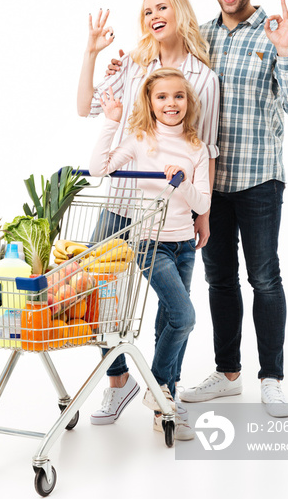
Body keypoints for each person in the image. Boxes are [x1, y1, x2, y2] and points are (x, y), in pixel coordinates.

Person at [107, 0, 288, 418]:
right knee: (220, 280)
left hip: (260, 177)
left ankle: (272, 378)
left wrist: (285, 53)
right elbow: (164, 86)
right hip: (206, 186)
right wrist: (122, 69)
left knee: (264, 277)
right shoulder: (202, 37)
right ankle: (227, 373)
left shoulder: (276, 33)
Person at [77, 0, 219, 425]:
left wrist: (203, 214)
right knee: (96, 294)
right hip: (120, 201)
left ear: (179, 12)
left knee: (172, 308)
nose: (154, 16)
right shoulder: (134, 64)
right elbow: (87, 108)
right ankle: (119, 381)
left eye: (162, 7)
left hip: (171, 214)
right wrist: (92, 53)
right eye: (147, 11)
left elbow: (207, 148)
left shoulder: (204, 79)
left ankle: (165, 394)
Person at [89, 68, 211, 440]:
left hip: (183, 246)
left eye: (178, 96)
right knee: (183, 316)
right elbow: (99, 169)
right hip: (149, 243)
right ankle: (159, 391)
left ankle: (164, 405)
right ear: (150, 102)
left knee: (169, 321)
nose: (171, 103)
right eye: (162, 97)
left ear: (188, 102)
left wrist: (184, 182)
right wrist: (110, 123)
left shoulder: (197, 148)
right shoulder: (141, 139)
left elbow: (202, 201)